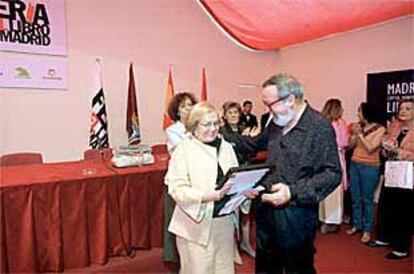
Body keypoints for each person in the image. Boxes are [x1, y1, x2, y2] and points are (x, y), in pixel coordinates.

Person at [235, 73, 342, 274]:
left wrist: (291, 192)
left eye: (270, 104)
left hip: (297, 213)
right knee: (266, 265)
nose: (267, 110)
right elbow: (254, 144)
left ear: (291, 100)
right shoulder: (277, 122)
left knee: (297, 267)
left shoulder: (319, 126)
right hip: (266, 208)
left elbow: (332, 174)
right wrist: (222, 137)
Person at [166, 102, 239, 274]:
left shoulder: (226, 147)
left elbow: (234, 178)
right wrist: (209, 195)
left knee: (223, 269)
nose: (212, 129)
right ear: (194, 126)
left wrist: (244, 192)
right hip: (194, 225)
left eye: (215, 123)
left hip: (224, 222)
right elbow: (176, 189)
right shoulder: (183, 150)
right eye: (206, 124)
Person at [367, 99, 414, 260]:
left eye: (408, 108)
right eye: (401, 108)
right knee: (386, 206)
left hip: (408, 176)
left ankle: (402, 247)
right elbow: (386, 150)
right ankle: (384, 238)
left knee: (403, 211)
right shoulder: (395, 128)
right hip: (392, 173)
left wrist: (399, 151)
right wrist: (387, 149)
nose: (404, 111)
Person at [220, 101, 256, 263]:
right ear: (225, 116)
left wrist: (250, 140)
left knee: (246, 213)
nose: (233, 116)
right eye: (230, 113)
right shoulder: (221, 132)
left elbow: (252, 152)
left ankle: (246, 244)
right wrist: (244, 140)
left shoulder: (244, 129)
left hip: (247, 174)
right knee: (232, 214)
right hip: (233, 177)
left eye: (236, 113)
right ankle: (233, 249)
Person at [163, 92, 197, 263]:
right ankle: (176, 259)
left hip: (196, 180)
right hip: (179, 181)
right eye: (184, 106)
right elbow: (185, 150)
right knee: (178, 223)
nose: (188, 108)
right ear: (177, 111)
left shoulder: (199, 127)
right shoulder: (172, 130)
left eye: (191, 105)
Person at [346, 102, 385, 243]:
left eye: (359, 111)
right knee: (355, 197)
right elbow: (349, 146)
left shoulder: (380, 129)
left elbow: (371, 148)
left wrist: (360, 135)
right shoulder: (360, 127)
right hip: (355, 164)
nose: (358, 114)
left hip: (370, 167)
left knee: (367, 199)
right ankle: (357, 224)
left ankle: (367, 230)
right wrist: (353, 136)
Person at [319, 99, 349, 233]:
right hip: (336, 159)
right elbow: (343, 142)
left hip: (322, 160)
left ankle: (323, 220)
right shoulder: (340, 123)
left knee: (324, 192)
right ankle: (332, 222)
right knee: (335, 192)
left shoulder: (320, 122)